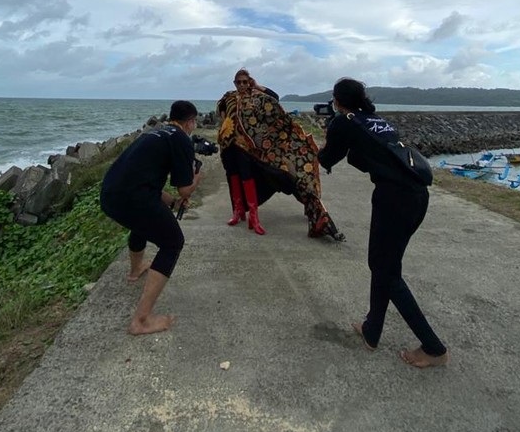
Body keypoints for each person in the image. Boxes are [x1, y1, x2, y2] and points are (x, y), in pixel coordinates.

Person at [318, 78, 449, 368]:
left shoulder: (344, 122)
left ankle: (434, 348)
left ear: (336, 101)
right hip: (415, 196)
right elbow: (369, 159)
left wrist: (328, 135)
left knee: (386, 272)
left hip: (394, 201)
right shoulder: (376, 121)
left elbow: (327, 158)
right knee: (385, 266)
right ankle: (371, 330)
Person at [100, 100, 202, 335]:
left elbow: (149, 185)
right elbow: (185, 189)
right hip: (132, 198)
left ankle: (135, 271)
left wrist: (174, 203)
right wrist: (197, 178)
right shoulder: (181, 139)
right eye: (194, 123)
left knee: (143, 221)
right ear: (190, 122)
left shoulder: (154, 133)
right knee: (173, 242)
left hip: (110, 195)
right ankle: (142, 320)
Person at [217, 68, 344, 240]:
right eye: (238, 82)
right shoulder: (228, 97)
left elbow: (274, 100)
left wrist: (258, 87)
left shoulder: (257, 97)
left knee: (249, 176)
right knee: (233, 175)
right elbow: (223, 115)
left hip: (248, 147)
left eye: (245, 81)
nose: (241, 85)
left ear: (250, 82)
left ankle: (253, 217)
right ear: (234, 83)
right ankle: (238, 211)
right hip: (229, 144)